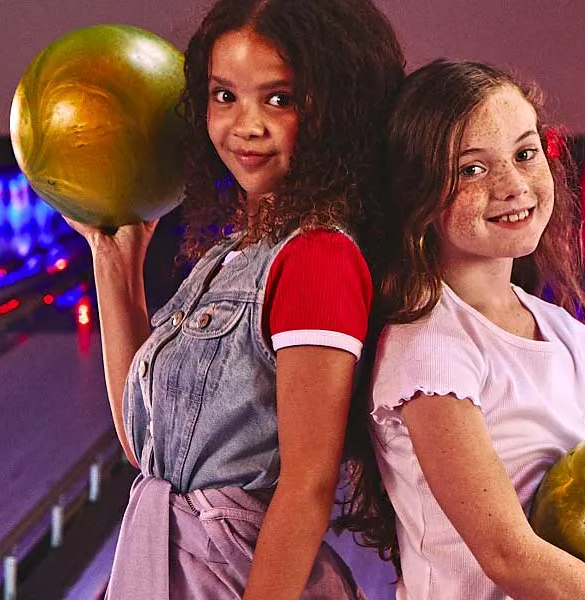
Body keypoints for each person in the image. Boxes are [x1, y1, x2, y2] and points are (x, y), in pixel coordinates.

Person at [339, 60, 585, 600]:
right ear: (419, 193)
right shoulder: (430, 347)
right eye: (471, 170)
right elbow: (510, 555)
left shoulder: (569, 337)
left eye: (525, 154)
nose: (512, 184)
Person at [66, 1, 405, 598]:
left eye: (280, 98)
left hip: (240, 577)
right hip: (177, 567)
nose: (245, 126)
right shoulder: (231, 257)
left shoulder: (317, 259)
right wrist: (114, 259)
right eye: (224, 96)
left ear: (340, 110)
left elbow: (307, 484)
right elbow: (150, 451)